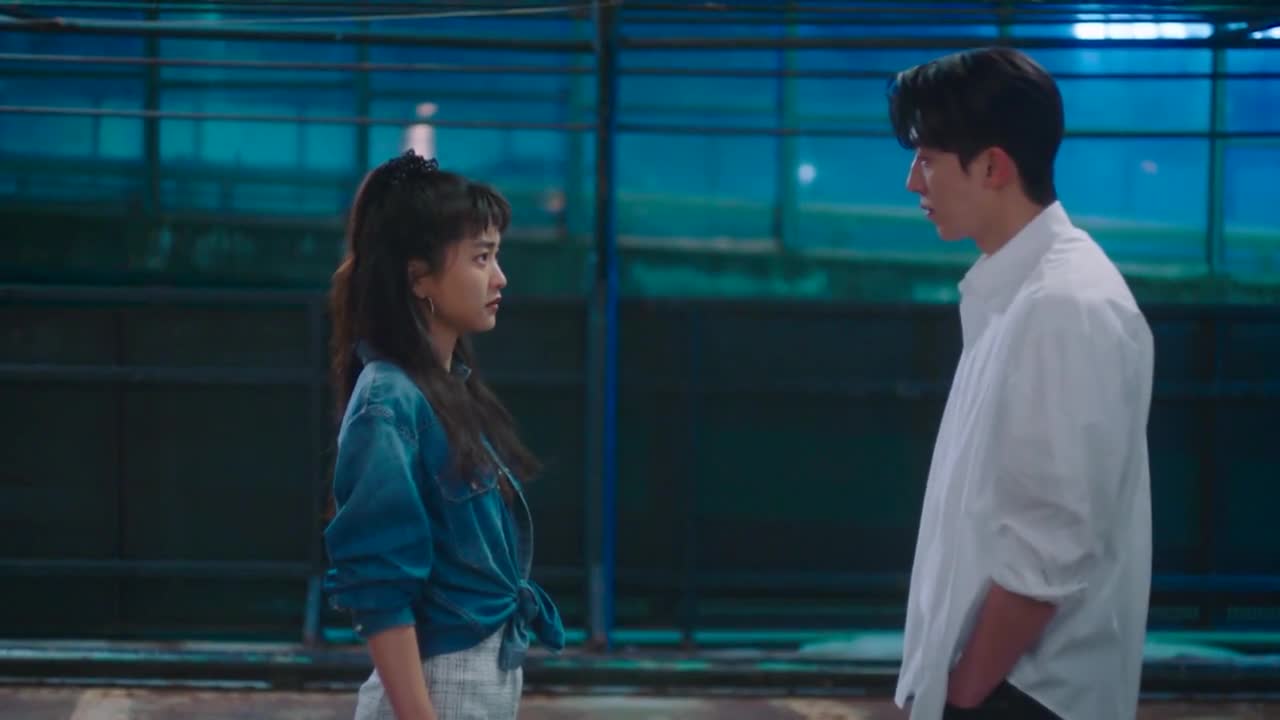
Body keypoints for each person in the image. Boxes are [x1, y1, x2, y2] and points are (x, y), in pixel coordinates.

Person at [885, 47, 1155, 720]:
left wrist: (961, 696)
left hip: (1027, 695)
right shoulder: (1020, 292)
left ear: (993, 167)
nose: (913, 182)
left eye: (928, 159)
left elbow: (1049, 546)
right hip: (1003, 688)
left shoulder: (1064, 304)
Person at [323, 150, 564, 720]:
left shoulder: (444, 389)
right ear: (418, 277)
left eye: (495, 256)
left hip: (475, 680)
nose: (500, 277)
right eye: (481, 257)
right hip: (441, 687)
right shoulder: (390, 399)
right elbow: (380, 585)